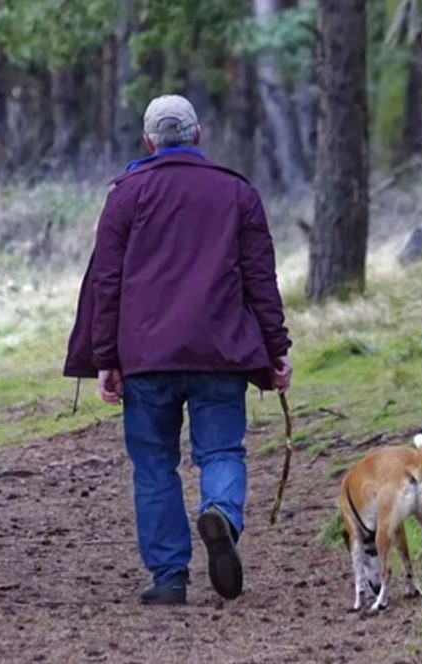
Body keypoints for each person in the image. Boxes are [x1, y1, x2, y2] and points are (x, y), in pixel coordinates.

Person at [64, 95, 294, 606]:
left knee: (153, 465)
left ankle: (169, 576)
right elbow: (260, 279)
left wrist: (105, 358)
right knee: (221, 451)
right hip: (220, 353)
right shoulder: (237, 193)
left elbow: (107, 282)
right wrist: (276, 347)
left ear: (148, 142)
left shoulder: (125, 196)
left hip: (147, 358)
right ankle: (222, 517)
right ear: (198, 135)